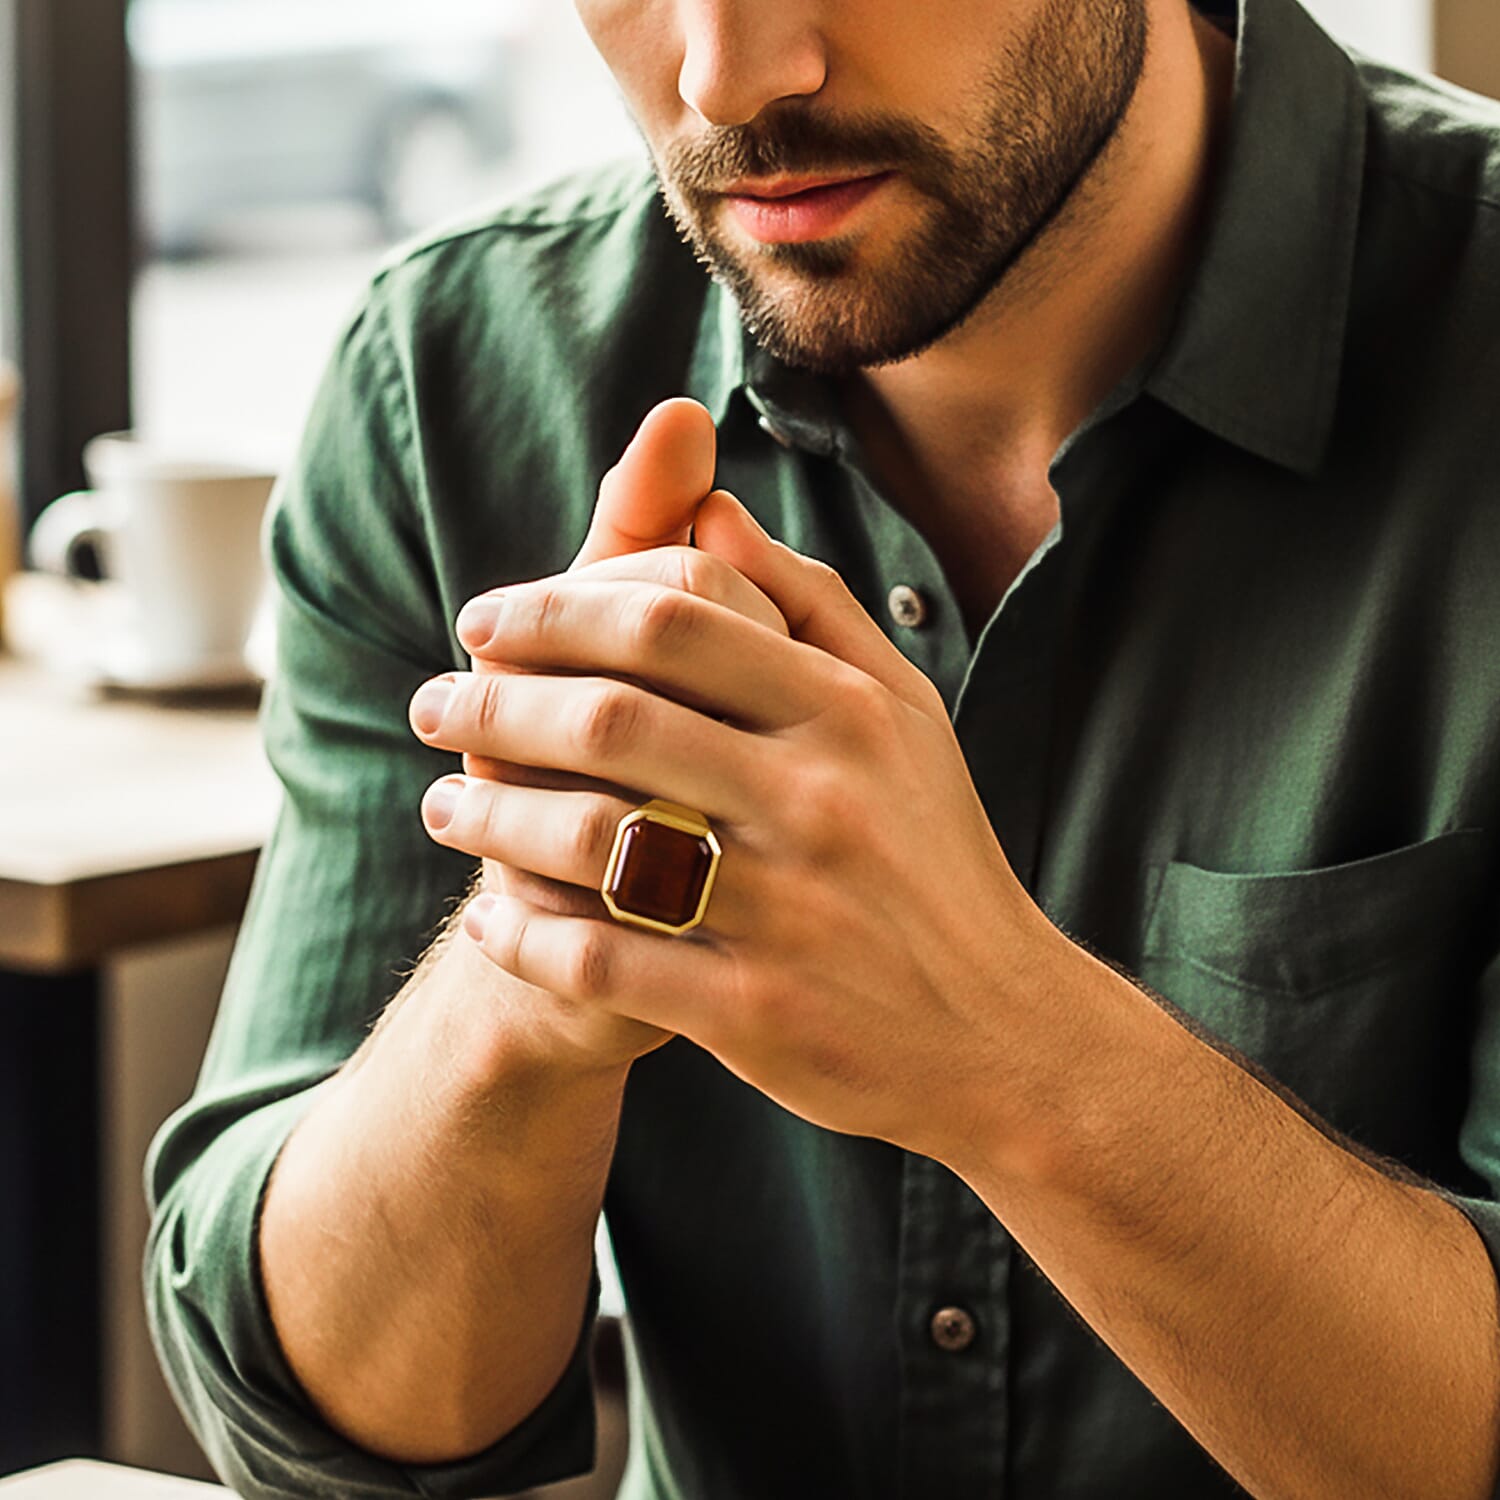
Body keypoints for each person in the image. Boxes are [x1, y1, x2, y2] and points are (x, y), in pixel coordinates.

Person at [144, 0, 1500, 1495]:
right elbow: (315, 1428)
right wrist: (529, 967)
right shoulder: (452, 376)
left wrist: (1004, 1046)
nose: (728, 73)